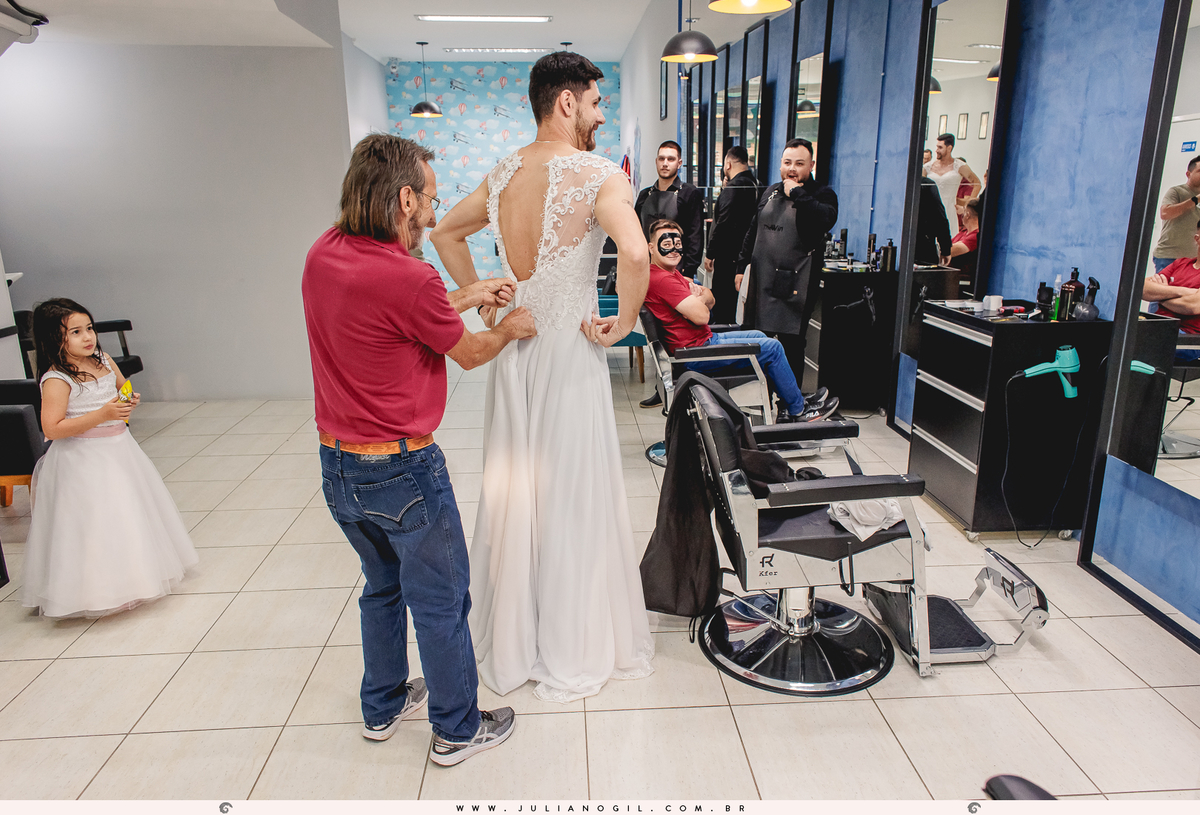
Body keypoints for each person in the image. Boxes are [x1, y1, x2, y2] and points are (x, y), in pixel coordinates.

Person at [429, 51, 655, 703]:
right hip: (568, 356)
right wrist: (626, 321)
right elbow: (636, 252)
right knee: (572, 496)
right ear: (566, 103)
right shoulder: (597, 175)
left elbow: (445, 232)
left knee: (516, 495)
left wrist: (480, 289)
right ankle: (571, 639)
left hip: (515, 353)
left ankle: (513, 639)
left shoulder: (502, 173)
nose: (600, 114)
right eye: (595, 103)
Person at [303, 133, 535, 765]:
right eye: (431, 200)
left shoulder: (323, 253)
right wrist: (511, 325)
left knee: (382, 587)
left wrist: (464, 295)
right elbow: (467, 352)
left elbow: (390, 311)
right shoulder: (410, 278)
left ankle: (381, 707)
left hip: (339, 470)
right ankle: (458, 729)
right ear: (404, 199)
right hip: (404, 471)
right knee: (440, 600)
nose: (436, 214)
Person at [21, 298, 198, 619]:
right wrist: (102, 413)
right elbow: (52, 428)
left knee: (128, 511)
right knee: (96, 520)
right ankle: (97, 587)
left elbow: (122, 387)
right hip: (83, 459)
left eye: (89, 328)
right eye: (75, 332)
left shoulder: (102, 359)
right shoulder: (58, 379)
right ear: (53, 339)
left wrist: (129, 399)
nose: (88, 337)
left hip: (120, 450)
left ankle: (137, 575)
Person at [644, 219, 837, 422]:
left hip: (701, 341)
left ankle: (791, 402)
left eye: (677, 244)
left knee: (758, 336)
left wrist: (698, 300)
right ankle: (798, 411)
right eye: (666, 245)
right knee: (772, 348)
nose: (674, 250)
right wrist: (700, 304)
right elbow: (703, 316)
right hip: (694, 355)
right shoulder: (664, 280)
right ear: (651, 247)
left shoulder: (669, 273)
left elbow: (710, 297)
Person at [735, 137, 838, 386]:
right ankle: (761, 396)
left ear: (811, 165)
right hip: (762, 277)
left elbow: (825, 218)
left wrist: (798, 193)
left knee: (791, 344)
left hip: (796, 281)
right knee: (758, 340)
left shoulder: (823, 194)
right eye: (787, 162)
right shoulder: (770, 191)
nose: (792, 169)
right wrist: (741, 268)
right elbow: (753, 231)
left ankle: (791, 404)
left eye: (799, 163)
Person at [703, 146, 759, 324]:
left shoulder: (733, 188)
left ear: (727, 164)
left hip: (728, 258)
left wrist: (710, 252)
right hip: (748, 256)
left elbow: (723, 224)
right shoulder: (756, 185)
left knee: (723, 308)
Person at [634, 140, 705, 279]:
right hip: (645, 268)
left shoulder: (689, 193)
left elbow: (695, 236)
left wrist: (689, 271)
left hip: (678, 269)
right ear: (656, 161)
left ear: (679, 163)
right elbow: (635, 233)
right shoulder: (644, 195)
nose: (665, 163)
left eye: (670, 159)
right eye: (661, 159)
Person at [1143, 218, 1200, 361]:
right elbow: (1142, 288)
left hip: (1188, 339)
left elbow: (1193, 306)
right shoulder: (1181, 263)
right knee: (1114, 333)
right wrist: (1184, 292)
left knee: (1134, 342)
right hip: (1158, 328)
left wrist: (1161, 295)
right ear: (1197, 239)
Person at [1152, 156, 1200, 273]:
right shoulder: (1176, 192)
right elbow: (1165, 213)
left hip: (1194, 261)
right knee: (1163, 290)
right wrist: (1195, 200)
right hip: (1169, 257)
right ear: (1188, 174)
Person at [923, 134, 980, 231]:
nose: (937, 150)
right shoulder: (928, 167)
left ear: (949, 148)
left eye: (940, 147)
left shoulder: (959, 166)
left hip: (949, 211)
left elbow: (977, 183)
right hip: (930, 212)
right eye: (937, 147)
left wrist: (967, 204)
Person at [915, 175, 953, 266]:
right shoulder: (926, 184)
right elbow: (939, 218)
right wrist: (945, 249)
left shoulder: (888, 179)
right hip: (923, 244)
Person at [949, 198, 982, 282]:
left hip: (958, 280)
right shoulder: (964, 231)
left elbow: (950, 250)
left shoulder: (975, 236)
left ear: (967, 215)